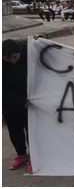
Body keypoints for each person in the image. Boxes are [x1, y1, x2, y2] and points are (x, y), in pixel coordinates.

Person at [2, 39, 33, 174]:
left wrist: (40, 38)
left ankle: (34, 157)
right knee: (15, 132)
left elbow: (39, 45)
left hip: (30, 103)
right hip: (10, 104)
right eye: (7, 59)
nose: (12, 61)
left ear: (19, 52)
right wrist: (20, 102)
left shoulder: (26, 50)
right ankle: (21, 154)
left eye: (15, 57)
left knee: (32, 132)